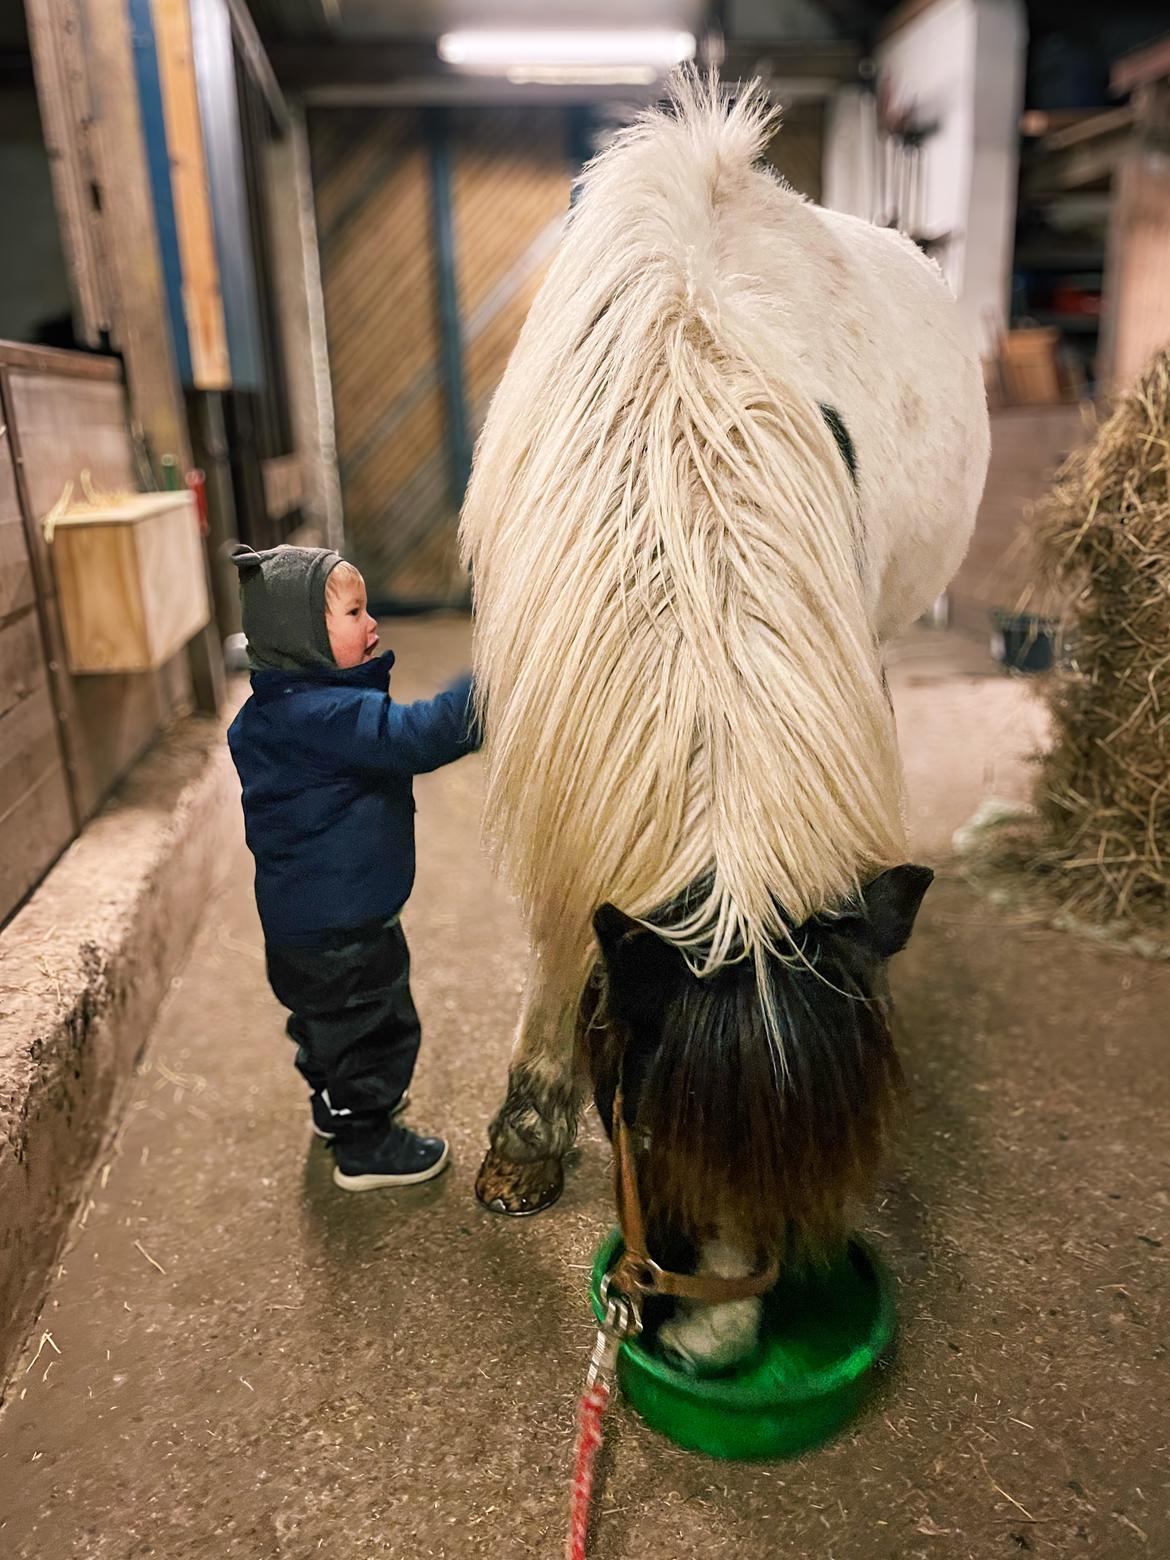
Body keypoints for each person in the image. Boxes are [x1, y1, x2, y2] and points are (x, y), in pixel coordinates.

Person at [226, 543, 480, 1191]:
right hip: (347, 930)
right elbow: (414, 736)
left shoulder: (270, 715)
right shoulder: (328, 716)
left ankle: (334, 1104)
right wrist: (493, 687)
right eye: (354, 613)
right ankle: (365, 1146)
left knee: (325, 1027)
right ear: (302, 635)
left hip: (299, 928)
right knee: (376, 1031)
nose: (373, 626)